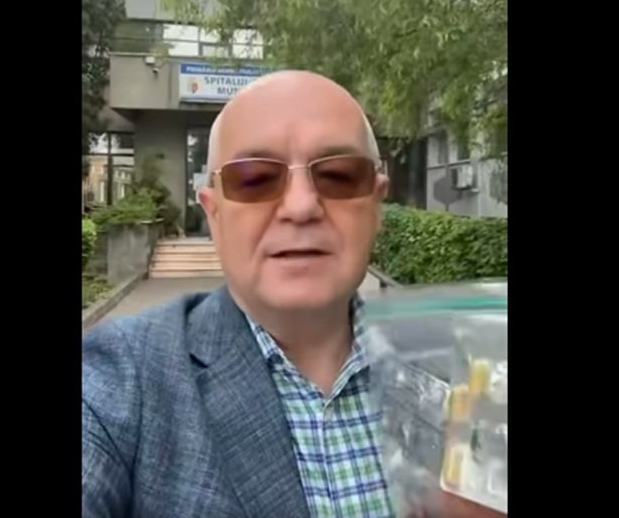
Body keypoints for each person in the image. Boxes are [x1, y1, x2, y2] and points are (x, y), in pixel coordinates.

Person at [82, 70, 502, 517]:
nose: (301, 207)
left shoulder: (472, 375)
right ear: (214, 213)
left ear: (376, 205)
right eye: (254, 178)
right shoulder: (119, 382)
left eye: (338, 175)